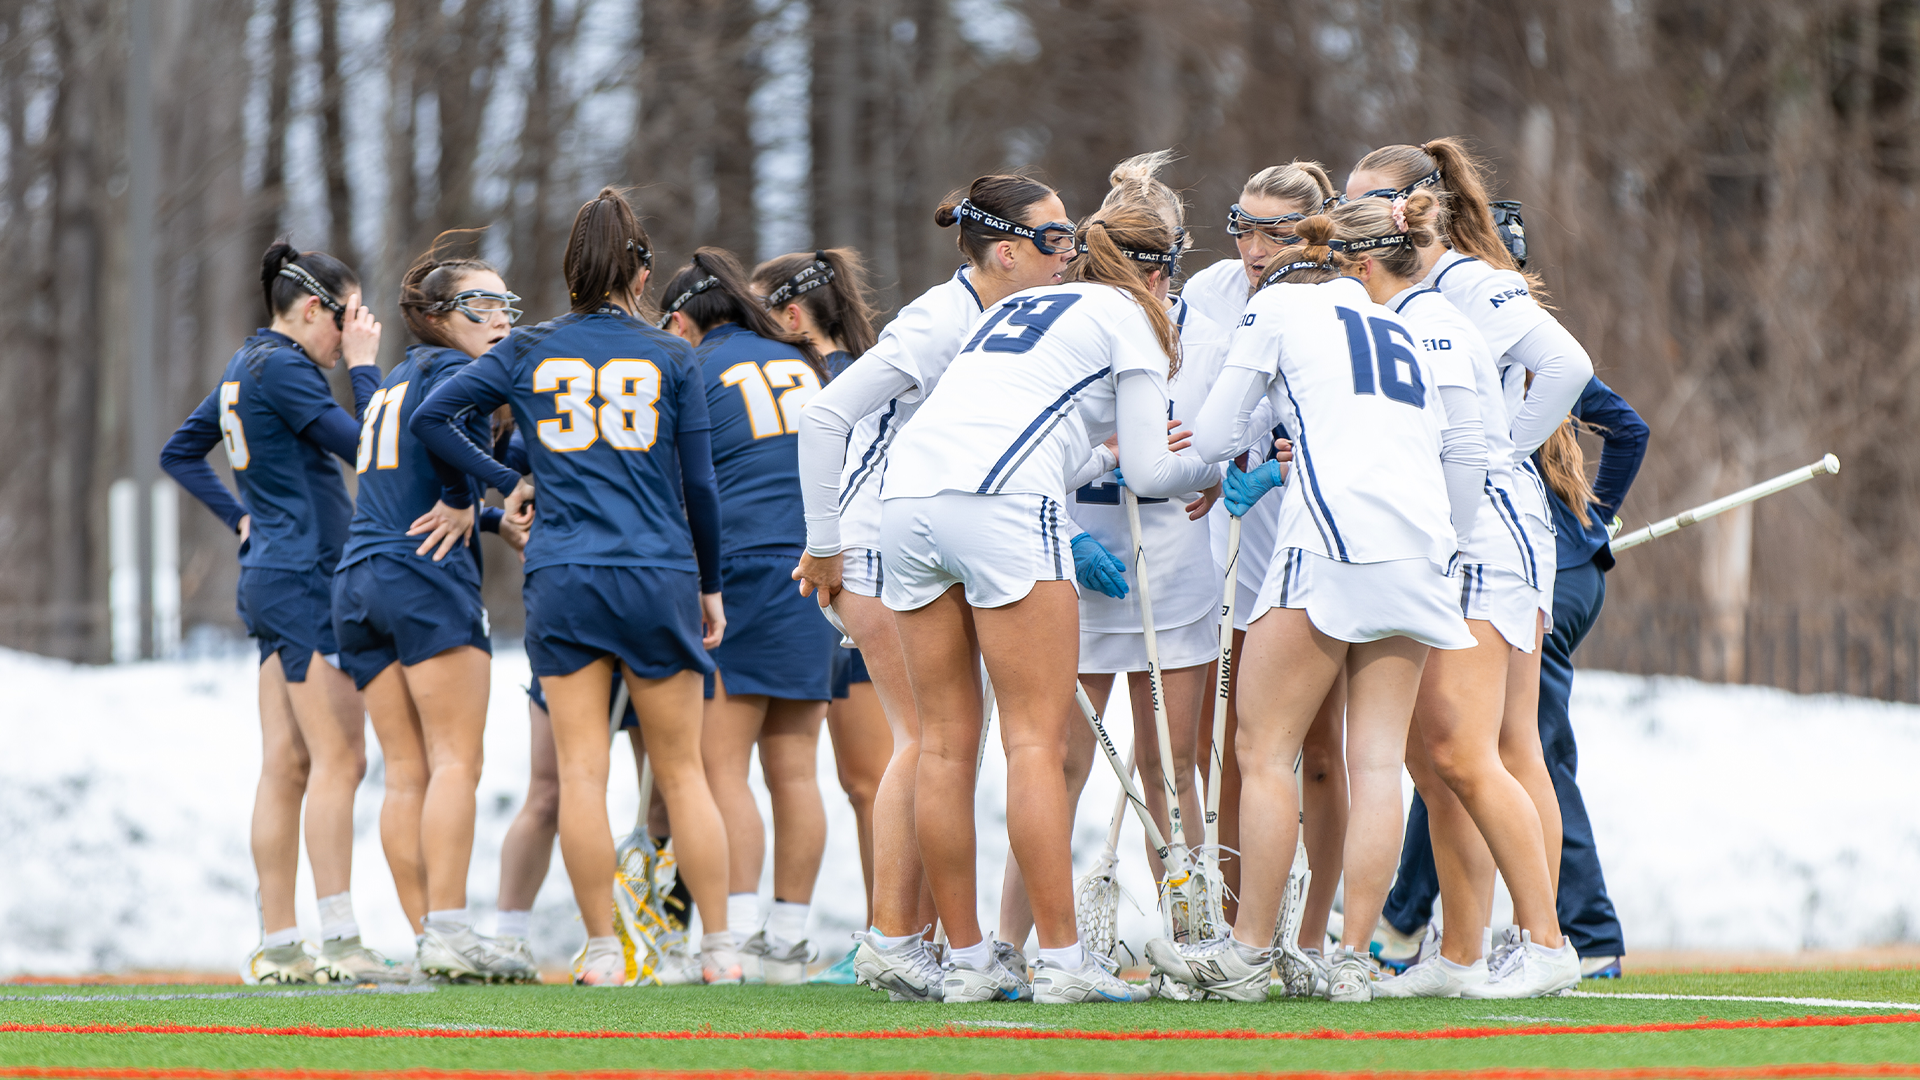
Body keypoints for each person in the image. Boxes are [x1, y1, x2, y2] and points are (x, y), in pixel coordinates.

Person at [867, 197, 1217, 1005]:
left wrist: (1102, 454)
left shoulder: (1022, 303)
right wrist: (1216, 469)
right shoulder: (1132, 317)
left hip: (907, 500)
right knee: (1034, 746)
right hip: (999, 507)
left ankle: (966, 961)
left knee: (947, 747)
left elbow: (1042, 437)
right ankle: (1063, 962)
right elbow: (1151, 476)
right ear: (1158, 272)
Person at [409, 187, 737, 986]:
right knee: (684, 770)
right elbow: (699, 485)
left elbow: (431, 419)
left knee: (581, 773)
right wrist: (712, 584)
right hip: (657, 570)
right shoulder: (672, 355)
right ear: (643, 271)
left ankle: (601, 952)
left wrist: (508, 482)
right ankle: (721, 951)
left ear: (568, 272)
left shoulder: (529, 349)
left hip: (564, 574)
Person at [1162, 213, 1486, 1004]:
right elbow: (1460, 452)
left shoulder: (1277, 307)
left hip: (1332, 544)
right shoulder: (1396, 325)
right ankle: (1347, 958)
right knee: (1376, 763)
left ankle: (1245, 954)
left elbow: (1209, 433)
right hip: (1420, 551)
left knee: (1261, 749)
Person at [792, 174, 1076, 1003]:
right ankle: (891, 937)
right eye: (1056, 239)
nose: (1071, 254)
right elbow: (825, 417)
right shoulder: (940, 318)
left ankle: (913, 937)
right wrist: (824, 544)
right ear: (1009, 251)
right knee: (927, 742)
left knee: (943, 742)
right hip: (879, 544)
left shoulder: (1012, 317)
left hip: (920, 540)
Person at [1309, 194, 1574, 1000]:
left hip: (1480, 538)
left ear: (1364, 260)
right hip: (1450, 536)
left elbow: (1472, 442)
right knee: (1433, 760)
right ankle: (1459, 953)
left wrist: (1495, 470)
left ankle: (1544, 942)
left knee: (1466, 749)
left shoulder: (1434, 316)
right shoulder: (1396, 317)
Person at [996, 152, 1226, 988]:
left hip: (1171, 562)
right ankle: (1013, 940)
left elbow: (1210, 436)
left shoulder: (1203, 327)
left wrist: (1212, 464)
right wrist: (1108, 464)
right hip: (1083, 560)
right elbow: (1038, 446)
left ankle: (1193, 941)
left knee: (1174, 765)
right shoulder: (1072, 318)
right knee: (1058, 758)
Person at [160, 240, 404, 984]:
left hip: (272, 574)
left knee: (288, 765)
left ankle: (280, 944)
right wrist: (366, 367)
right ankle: (338, 942)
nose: (353, 331)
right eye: (348, 318)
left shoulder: (246, 365)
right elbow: (373, 446)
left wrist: (241, 517)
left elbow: (180, 451)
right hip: (303, 581)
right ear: (310, 311)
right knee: (342, 758)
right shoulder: (287, 369)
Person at [1383, 377, 1647, 979]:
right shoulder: (1506, 351)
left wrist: (1592, 522)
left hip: (1535, 566)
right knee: (1462, 750)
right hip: (1549, 561)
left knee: (1516, 752)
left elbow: (1631, 430)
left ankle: (1580, 933)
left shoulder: (1508, 338)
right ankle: (1424, 927)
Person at [330, 237, 535, 983]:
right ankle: (448, 929)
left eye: (507, 302)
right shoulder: (458, 371)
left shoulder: (394, 379)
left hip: (359, 581)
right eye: (482, 302)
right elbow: (440, 444)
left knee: (408, 771)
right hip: (423, 580)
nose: (502, 316)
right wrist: (472, 495)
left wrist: (472, 512)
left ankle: (428, 938)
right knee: (454, 762)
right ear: (439, 315)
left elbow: (395, 482)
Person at [1181, 161, 1350, 956]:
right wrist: (1212, 471)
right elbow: (1195, 411)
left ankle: (1312, 935)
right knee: (1240, 736)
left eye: (1274, 231)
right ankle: (1236, 920)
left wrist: (1281, 463)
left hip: (1311, 527)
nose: (1253, 246)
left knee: (1316, 745)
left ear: (1310, 233)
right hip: (1233, 532)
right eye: (1241, 226)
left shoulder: (1335, 292)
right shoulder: (1212, 292)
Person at [659, 247, 839, 984]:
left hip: (736, 565)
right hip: (812, 565)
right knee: (795, 768)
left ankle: (726, 933)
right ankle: (786, 935)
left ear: (685, 321)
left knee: (719, 766)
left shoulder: (695, 367)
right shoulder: (802, 359)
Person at [751, 248, 889, 984]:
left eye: (757, 315)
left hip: (871, 588)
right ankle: (887, 930)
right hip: (841, 592)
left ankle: (892, 932)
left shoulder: (844, 384)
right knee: (865, 780)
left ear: (794, 316)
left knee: (875, 781)